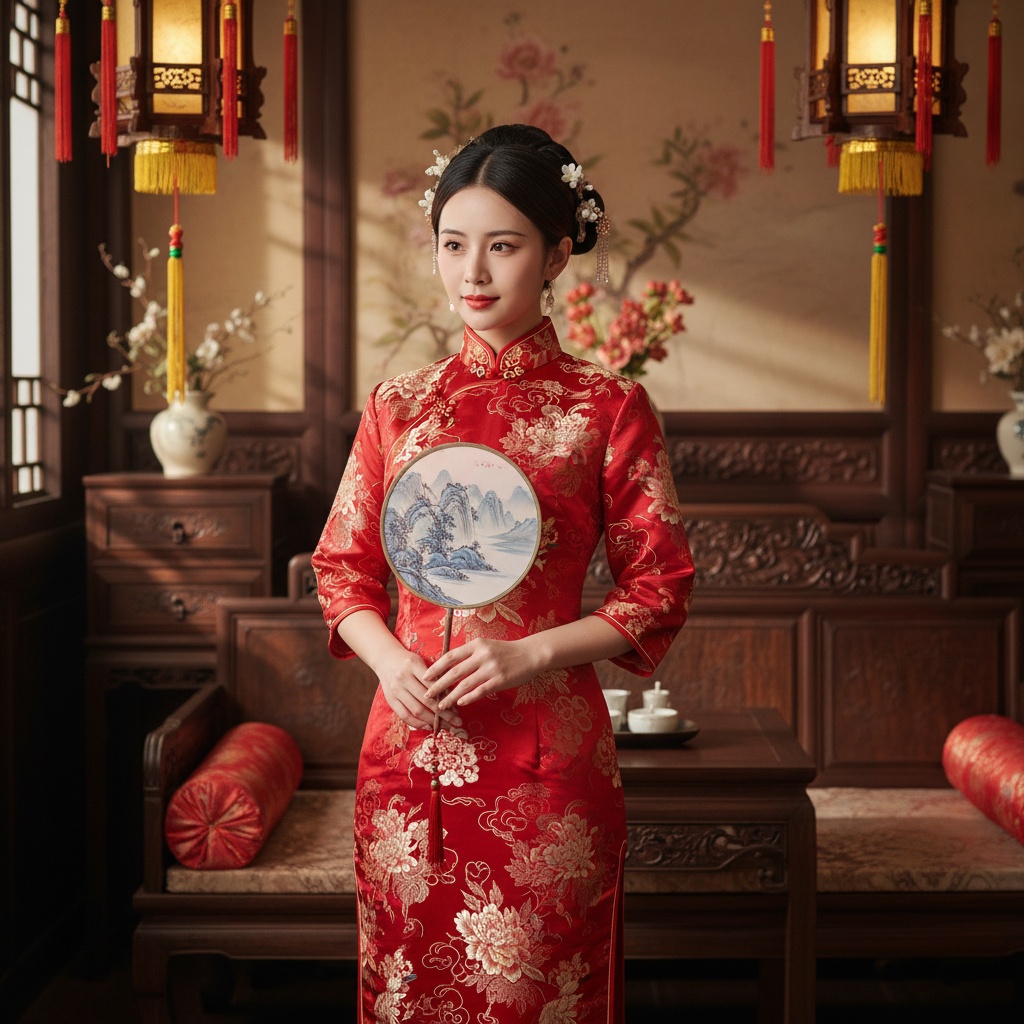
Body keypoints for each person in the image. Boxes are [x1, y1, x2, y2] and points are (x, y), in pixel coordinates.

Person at [312, 123, 695, 1023]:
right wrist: (390, 663)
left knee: (538, 994)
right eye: (453, 245)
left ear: (558, 253)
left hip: (545, 762)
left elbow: (658, 587)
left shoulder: (607, 407)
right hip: (407, 755)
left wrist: (528, 654)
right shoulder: (398, 405)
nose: (472, 273)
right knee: (406, 994)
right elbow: (341, 570)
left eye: (503, 246)